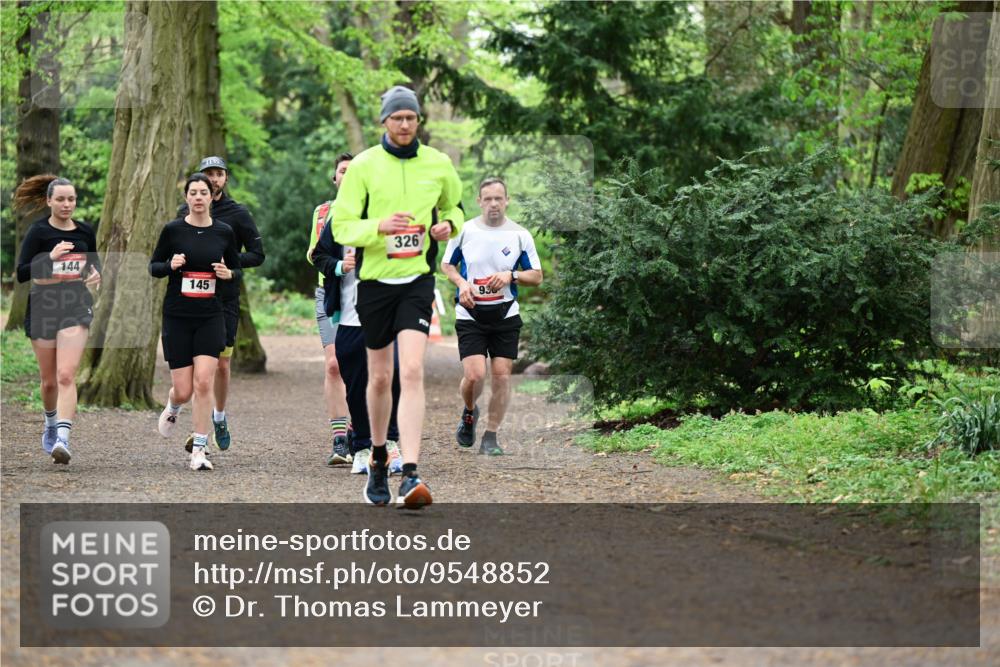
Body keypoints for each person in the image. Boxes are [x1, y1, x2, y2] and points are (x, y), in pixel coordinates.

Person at [331, 85, 464, 508]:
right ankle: (375, 455)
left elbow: (456, 207)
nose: (404, 124)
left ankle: (409, 471)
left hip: (417, 281)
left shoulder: (438, 163)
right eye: (397, 118)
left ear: (418, 121)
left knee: (411, 371)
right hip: (374, 283)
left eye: (411, 117)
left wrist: (449, 226)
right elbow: (341, 226)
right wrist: (378, 228)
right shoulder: (365, 166)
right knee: (381, 377)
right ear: (384, 122)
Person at [309, 154, 402, 474]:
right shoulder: (338, 218)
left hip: (386, 312)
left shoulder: (390, 215)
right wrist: (338, 266)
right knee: (353, 375)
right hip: (347, 313)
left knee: (393, 376)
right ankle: (361, 444)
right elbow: (318, 254)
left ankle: (390, 443)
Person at [442, 177, 542, 455]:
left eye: (499, 198)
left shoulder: (520, 235)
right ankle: (470, 413)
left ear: (507, 200)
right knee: (474, 375)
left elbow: (537, 276)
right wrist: (462, 285)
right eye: (488, 199)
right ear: (479, 201)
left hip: (505, 314)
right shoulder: (464, 231)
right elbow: (447, 265)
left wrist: (511, 275)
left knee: (502, 377)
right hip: (470, 313)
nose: (494, 204)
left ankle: (491, 435)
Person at [151, 173, 242, 471]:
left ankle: (199, 451)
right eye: (194, 192)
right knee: (184, 389)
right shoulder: (173, 230)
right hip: (177, 316)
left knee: (204, 382)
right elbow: (154, 266)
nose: (199, 197)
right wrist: (170, 265)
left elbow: (237, 269)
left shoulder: (224, 232)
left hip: (210, 316)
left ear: (211, 197)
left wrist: (229, 274)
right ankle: (174, 404)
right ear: (187, 197)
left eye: (204, 192)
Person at [13, 175, 102, 465]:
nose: (67, 204)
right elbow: (23, 272)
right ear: (49, 201)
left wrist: (94, 275)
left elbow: (93, 265)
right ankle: (51, 424)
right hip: (44, 305)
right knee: (49, 381)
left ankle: (63, 438)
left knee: (66, 374)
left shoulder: (85, 232)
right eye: (61, 199)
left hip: (75, 304)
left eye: (71, 199)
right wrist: (50, 256)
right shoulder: (38, 232)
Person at [178, 156, 264, 451]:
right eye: (208, 174)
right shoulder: (184, 212)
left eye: (218, 174)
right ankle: (197, 429)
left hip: (224, 298)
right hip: (190, 300)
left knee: (222, 364)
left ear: (225, 178)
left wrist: (230, 264)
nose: (213, 179)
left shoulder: (238, 214)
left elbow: (258, 254)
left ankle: (219, 416)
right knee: (198, 369)